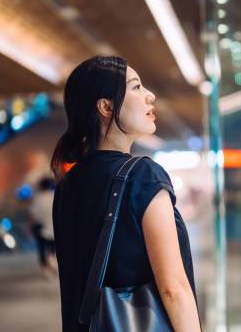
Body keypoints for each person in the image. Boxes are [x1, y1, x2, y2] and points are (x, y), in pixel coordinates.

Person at [51, 56, 200, 332]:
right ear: (106, 107)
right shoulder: (143, 176)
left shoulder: (67, 184)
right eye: (136, 87)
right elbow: (173, 289)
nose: (149, 96)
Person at [29, 177, 57, 276]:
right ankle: (52, 260)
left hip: (41, 228)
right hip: (55, 228)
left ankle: (45, 267)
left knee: (42, 248)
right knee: (54, 249)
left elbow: (33, 215)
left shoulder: (37, 199)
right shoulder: (54, 196)